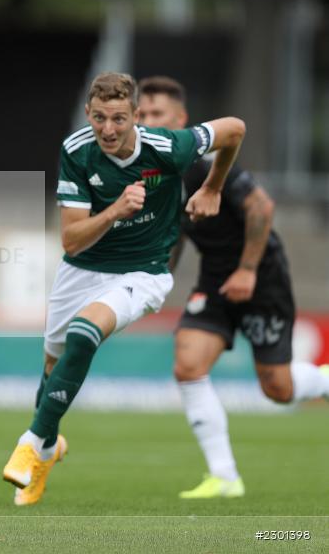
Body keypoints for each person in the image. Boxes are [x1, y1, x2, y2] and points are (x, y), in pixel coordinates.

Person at [2, 72, 246, 505]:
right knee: (51, 369)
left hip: (143, 273)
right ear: (88, 114)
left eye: (119, 118)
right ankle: (48, 450)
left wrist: (212, 187)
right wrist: (115, 210)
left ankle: (33, 437)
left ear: (136, 116)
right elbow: (72, 240)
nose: (109, 130)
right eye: (99, 119)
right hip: (81, 269)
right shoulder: (77, 151)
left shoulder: (168, 147)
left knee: (84, 333)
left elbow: (234, 129)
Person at [138, 75, 329, 499]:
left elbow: (262, 207)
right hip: (214, 277)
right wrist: (155, 278)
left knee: (277, 388)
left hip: (261, 275)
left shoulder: (202, 162)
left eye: (158, 114)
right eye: (143, 114)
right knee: (188, 363)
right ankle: (225, 477)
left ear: (181, 119)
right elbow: (179, 231)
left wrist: (246, 270)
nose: (148, 121)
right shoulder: (152, 172)